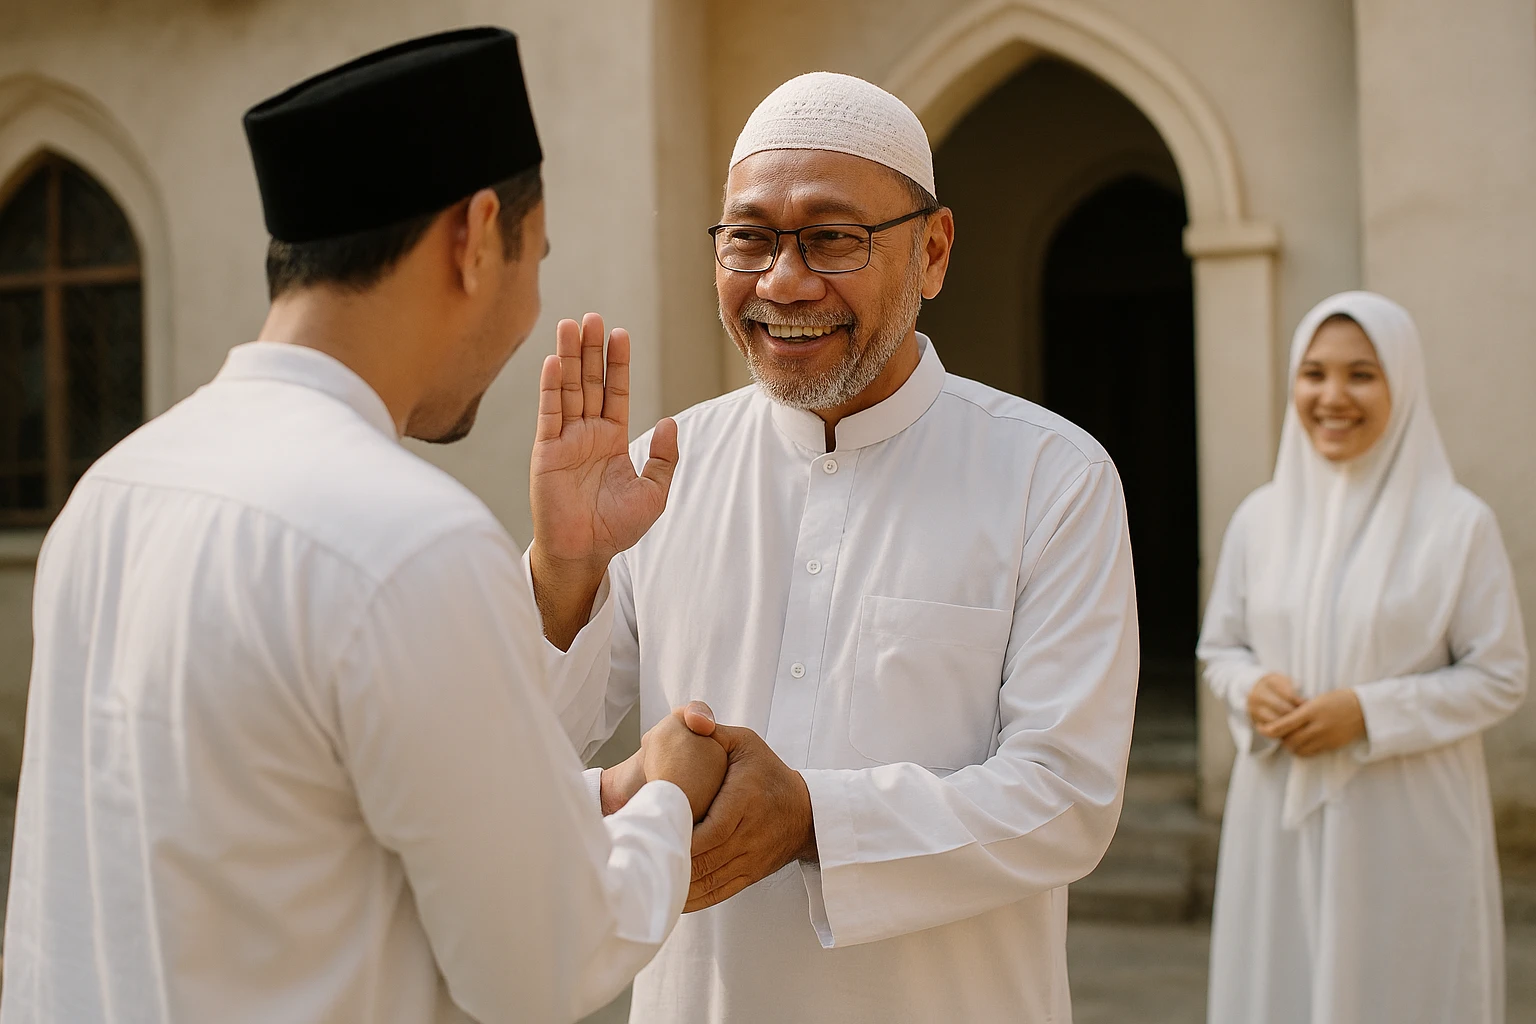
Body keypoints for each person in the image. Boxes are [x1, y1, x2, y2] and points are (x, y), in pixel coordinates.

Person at [1, 28, 728, 1024]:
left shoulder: (110, 493)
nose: (534, 306)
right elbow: (543, 962)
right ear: (477, 236)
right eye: (537, 257)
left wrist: (572, 591)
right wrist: (670, 797)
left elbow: (302, 819)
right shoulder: (407, 541)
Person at [532, 72, 1140, 1023]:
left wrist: (814, 818)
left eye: (832, 238)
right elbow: (507, 765)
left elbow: (1067, 799)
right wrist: (565, 573)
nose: (782, 281)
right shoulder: (658, 472)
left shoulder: (1049, 476)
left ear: (932, 252)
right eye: (749, 238)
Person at [1199, 291, 1528, 1024]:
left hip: (1405, 824)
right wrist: (1250, 688)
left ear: (1402, 383)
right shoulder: (1261, 518)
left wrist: (1369, 713)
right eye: (1314, 373)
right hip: (1276, 817)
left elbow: (1500, 675)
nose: (1333, 397)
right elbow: (1221, 647)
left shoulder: (1457, 525)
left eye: (1362, 375)